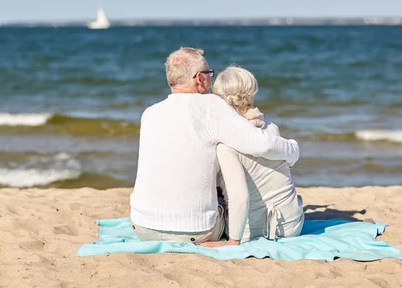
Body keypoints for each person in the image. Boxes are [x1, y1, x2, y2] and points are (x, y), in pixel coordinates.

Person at [130, 47, 300, 244]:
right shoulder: (211, 106)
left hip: (141, 226)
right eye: (209, 74)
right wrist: (293, 150)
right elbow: (263, 146)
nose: (210, 80)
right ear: (199, 79)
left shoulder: (149, 114)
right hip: (194, 232)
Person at [201, 66, 304, 248]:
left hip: (254, 231)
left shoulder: (225, 146)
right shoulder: (271, 128)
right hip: (293, 225)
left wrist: (233, 241)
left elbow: (239, 196)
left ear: (220, 99)